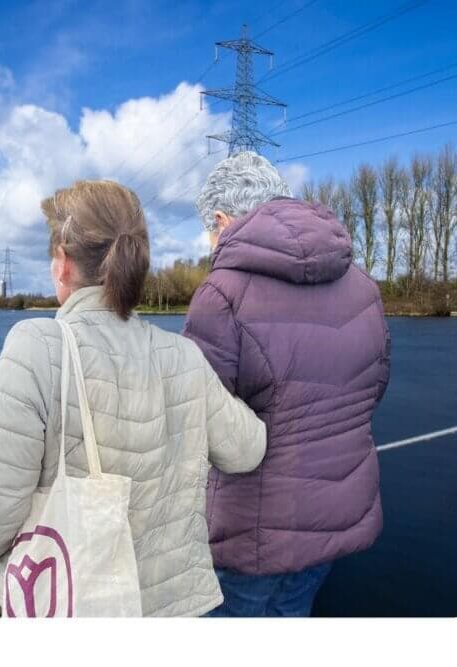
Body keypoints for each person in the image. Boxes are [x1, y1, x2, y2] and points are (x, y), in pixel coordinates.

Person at [0, 179, 266, 617]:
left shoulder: (38, 346)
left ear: (63, 264)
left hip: (71, 600)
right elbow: (247, 450)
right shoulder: (184, 354)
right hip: (173, 609)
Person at [183, 152, 391, 617]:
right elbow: (373, 388)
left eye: (209, 231)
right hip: (337, 517)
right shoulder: (363, 286)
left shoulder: (220, 294)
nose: (212, 244)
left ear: (220, 219)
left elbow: (199, 423)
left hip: (248, 534)